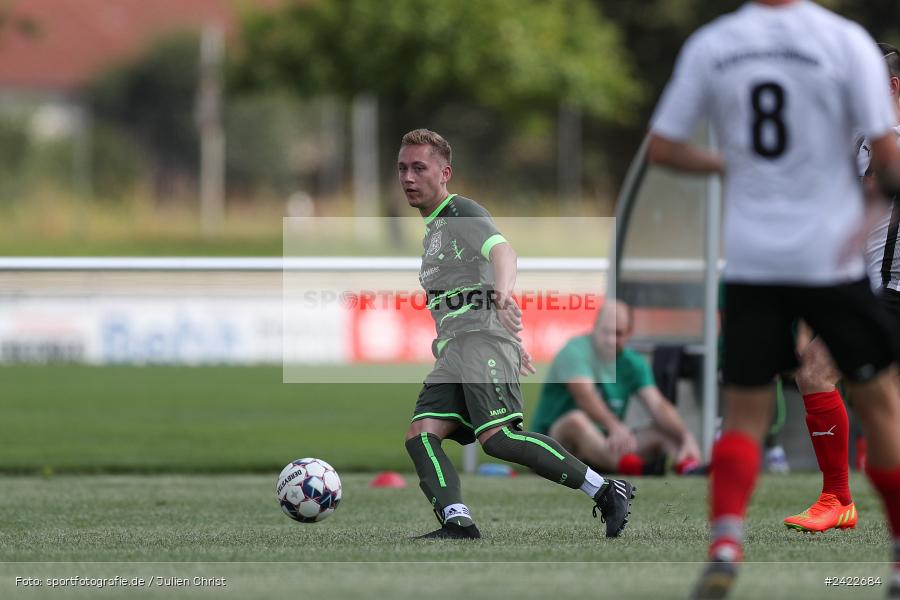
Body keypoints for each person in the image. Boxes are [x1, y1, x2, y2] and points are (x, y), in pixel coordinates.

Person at [647, 2, 900, 598]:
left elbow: (665, 146)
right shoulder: (843, 45)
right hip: (836, 266)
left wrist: (737, 166)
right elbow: (880, 172)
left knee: (749, 407)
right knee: (850, 390)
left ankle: (726, 543)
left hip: (763, 259)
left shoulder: (716, 42)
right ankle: (851, 512)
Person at [398, 128, 636, 540]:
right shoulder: (435, 230)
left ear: (445, 172)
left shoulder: (461, 212)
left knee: (499, 439)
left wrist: (503, 298)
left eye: (419, 168)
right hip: (458, 349)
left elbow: (503, 252)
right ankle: (457, 522)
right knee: (421, 435)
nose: (408, 177)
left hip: (479, 343)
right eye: (402, 168)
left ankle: (606, 490)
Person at [783, 42, 900, 534]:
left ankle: (839, 497)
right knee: (821, 375)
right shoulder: (853, 134)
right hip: (866, 289)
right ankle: (837, 498)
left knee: (828, 377)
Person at [532, 300, 702, 476]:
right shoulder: (575, 350)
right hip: (555, 445)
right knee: (576, 420)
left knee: (664, 433)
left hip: (604, 443)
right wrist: (613, 425)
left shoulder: (633, 363)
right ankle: (631, 468)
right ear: (595, 327)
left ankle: (688, 467)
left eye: (618, 333)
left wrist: (685, 435)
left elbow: (658, 405)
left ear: (629, 334)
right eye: (606, 332)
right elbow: (584, 395)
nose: (610, 340)